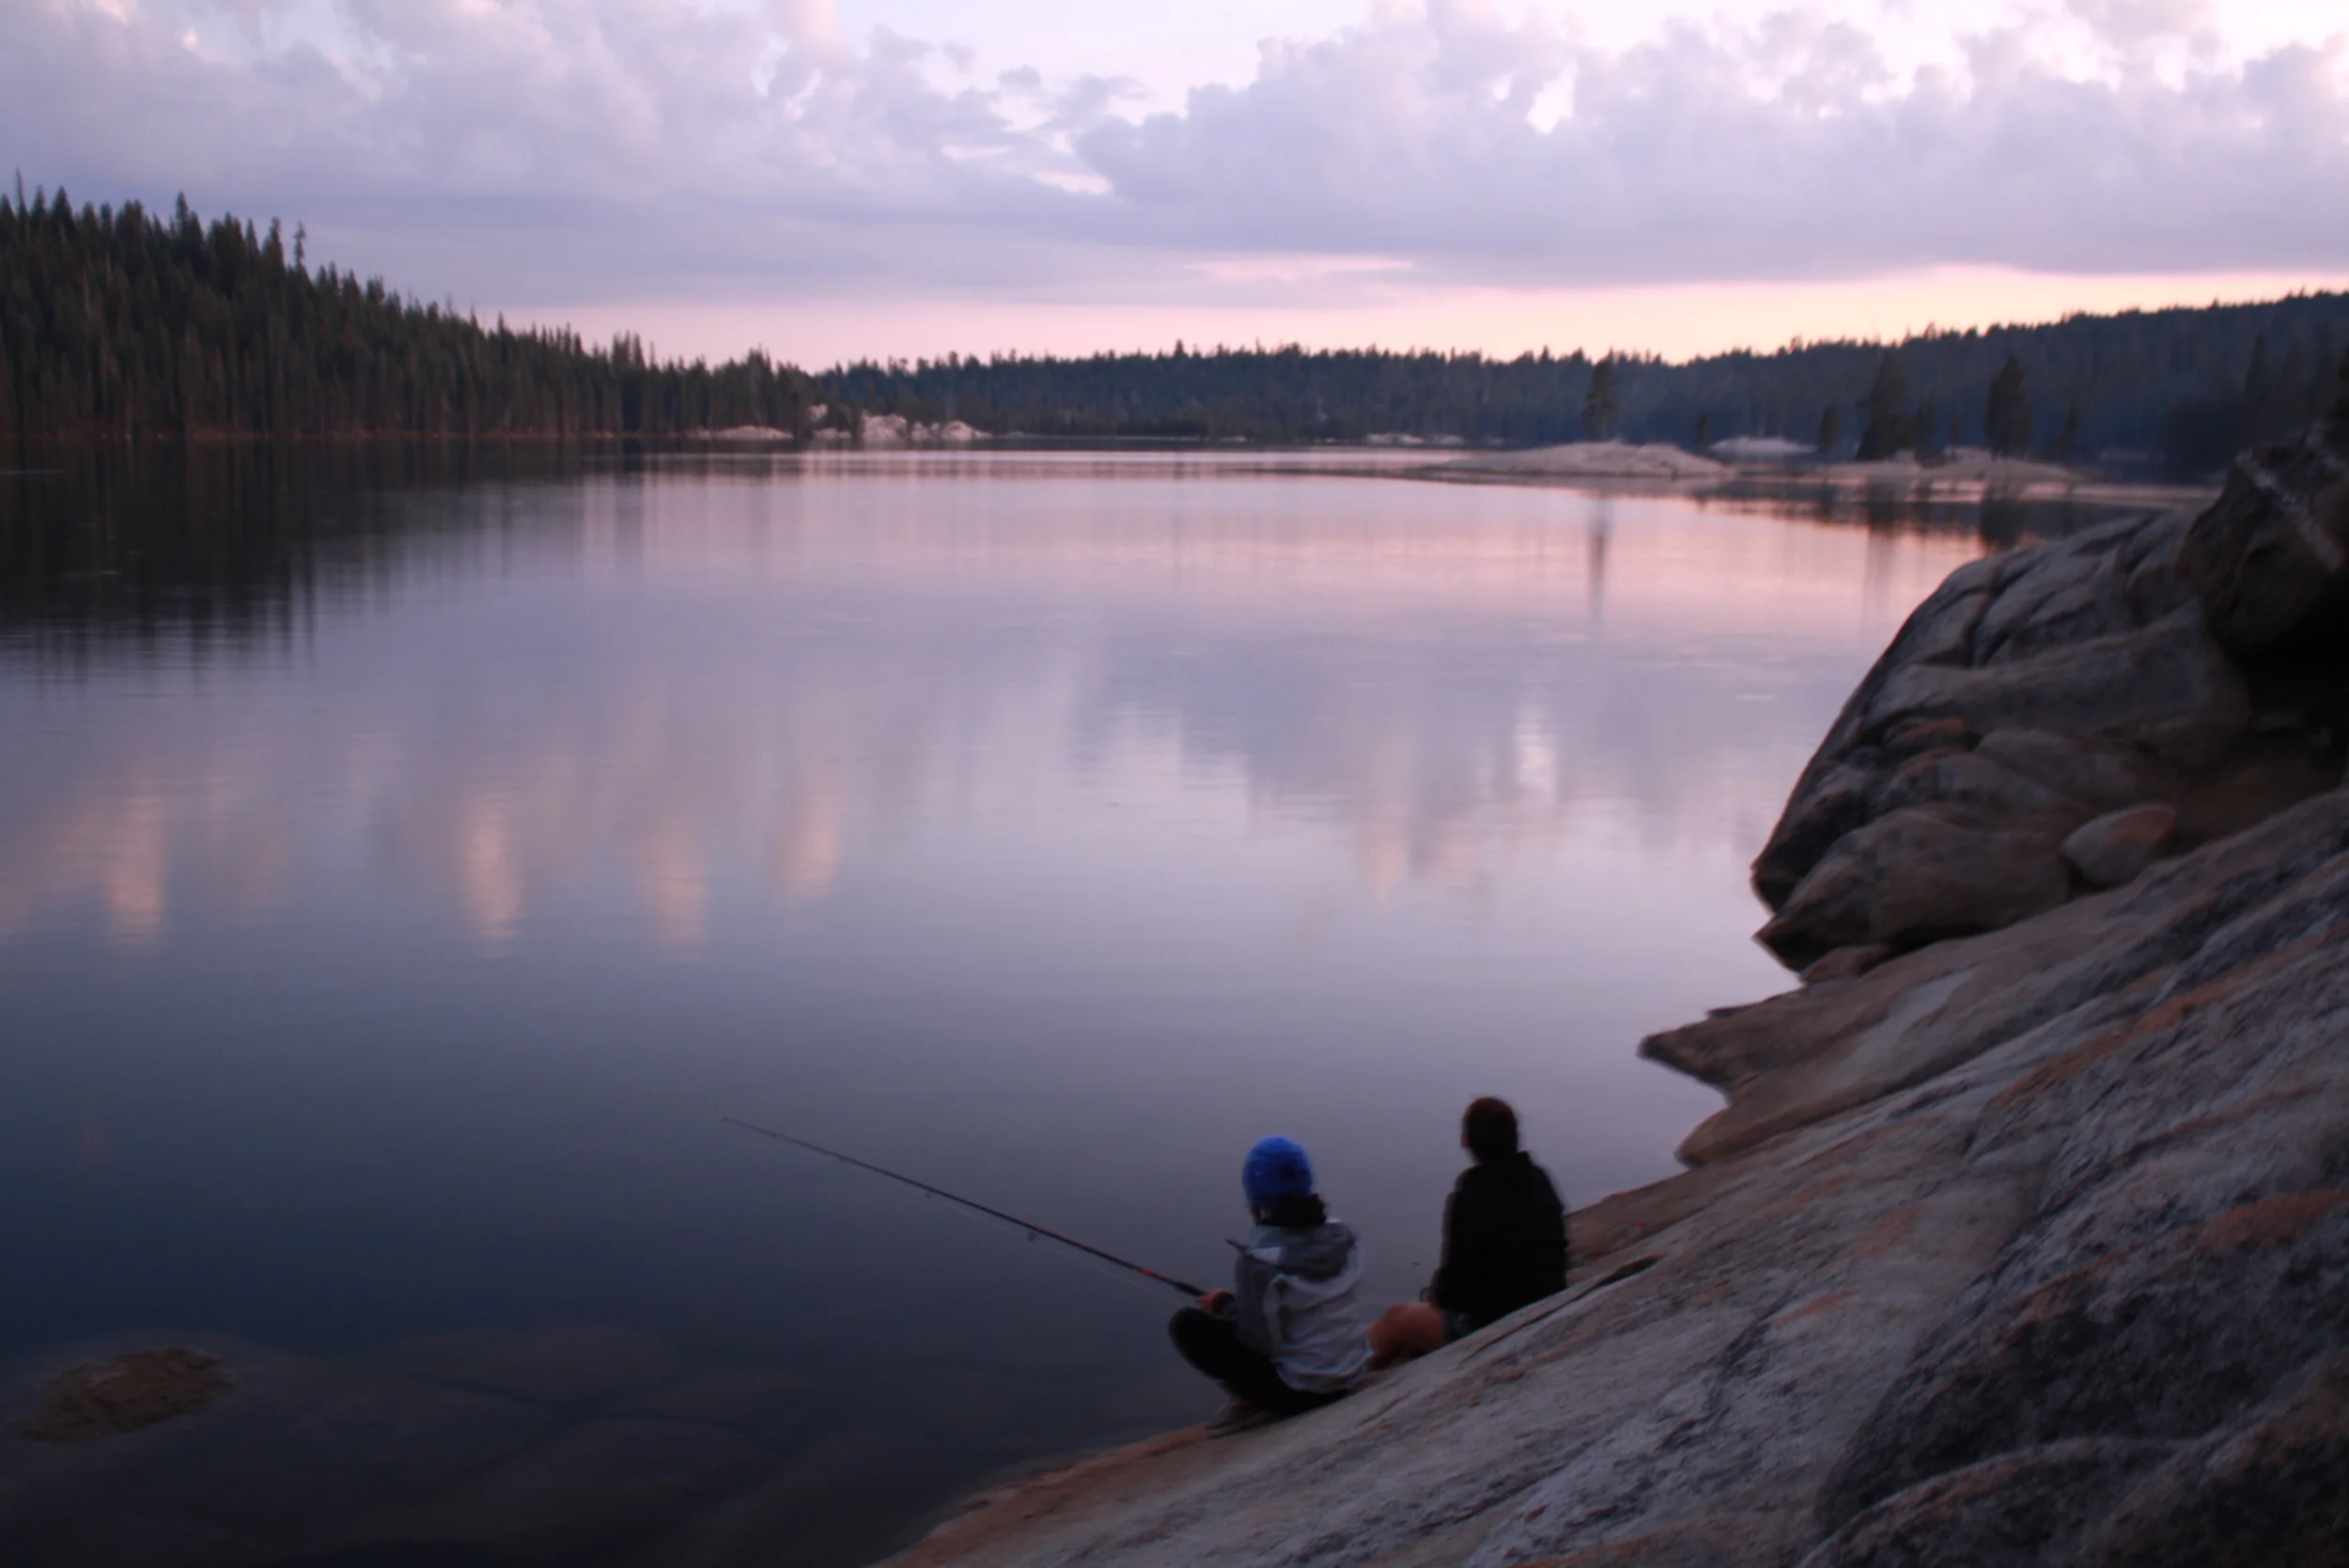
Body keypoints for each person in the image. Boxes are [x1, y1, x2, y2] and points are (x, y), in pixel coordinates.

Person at [1168, 1135, 1371, 1421]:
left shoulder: (1259, 1263)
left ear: (1256, 1195)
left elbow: (1260, 1343)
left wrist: (1224, 1306)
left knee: (1186, 1326)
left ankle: (1247, 1399)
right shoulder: (1344, 1236)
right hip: (1353, 1370)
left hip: (1303, 1392)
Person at [1369, 1097, 1568, 1365]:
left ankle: (1336, 1381)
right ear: (1515, 1137)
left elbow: (1453, 1290)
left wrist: (1436, 1294)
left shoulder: (1470, 1198)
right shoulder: (1540, 1179)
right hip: (1547, 1304)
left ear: (1466, 1140)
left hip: (1498, 1325)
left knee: (1397, 1319)